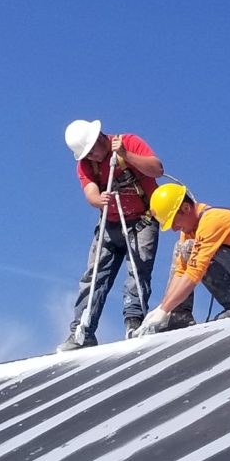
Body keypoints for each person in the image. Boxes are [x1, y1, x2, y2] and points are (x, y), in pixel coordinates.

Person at [58, 119, 163, 352]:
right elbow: (90, 192)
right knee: (94, 275)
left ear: (100, 138)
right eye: (87, 153)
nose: (92, 156)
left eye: (93, 149)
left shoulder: (128, 143)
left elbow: (157, 169)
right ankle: (82, 331)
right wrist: (98, 200)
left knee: (138, 269)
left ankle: (134, 322)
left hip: (143, 219)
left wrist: (126, 155)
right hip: (110, 224)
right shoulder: (86, 164)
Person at [139, 183, 230, 334]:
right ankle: (179, 316)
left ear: (185, 208)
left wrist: (164, 309)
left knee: (190, 248)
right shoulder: (190, 229)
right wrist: (163, 307)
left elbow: (194, 272)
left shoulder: (212, 220)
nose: (174, 228)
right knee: (181, 248)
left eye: (174, 222)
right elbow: (181, 271)